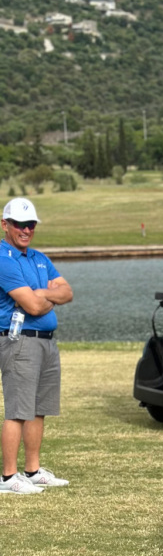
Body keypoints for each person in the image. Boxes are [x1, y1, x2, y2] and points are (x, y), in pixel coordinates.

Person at [0, 198, 73, 495]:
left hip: (45, 343)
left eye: (30, 224)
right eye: (19, 224)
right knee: (18, 410)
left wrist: (41, 294)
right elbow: (31, 305)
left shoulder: (40, 257)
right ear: (5, 224)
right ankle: (7, 477)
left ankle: (32, 470)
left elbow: (67, 292)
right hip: (19, 342)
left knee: (38, 409)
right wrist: (44, 297)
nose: (25, 229)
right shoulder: (3, 258)